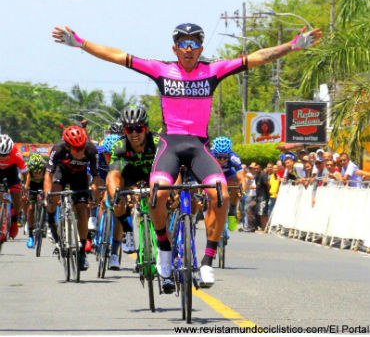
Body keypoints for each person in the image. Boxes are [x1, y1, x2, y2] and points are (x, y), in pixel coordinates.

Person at [52, 22, 322, 288]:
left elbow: (256, 58)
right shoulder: (162, 70)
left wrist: (293, 45)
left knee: (222, 194)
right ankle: (165, 253)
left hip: (198, 146)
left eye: (194, 44)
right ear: (175, 48)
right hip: (170, 144)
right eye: (183, 43)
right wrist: (81, 43)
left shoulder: (213, 71)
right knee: (158, 193)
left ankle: (206, 262)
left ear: (201, 48)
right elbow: (118, 56)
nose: (189, 49)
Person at [105, 106, 162, 279]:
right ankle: (127, 230)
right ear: (124, 130)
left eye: (139, 128)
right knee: (115, 194)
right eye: (130, 129)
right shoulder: (120, 146)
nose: (134, 133)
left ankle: (164, 245)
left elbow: (171, 171)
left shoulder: (158, 142)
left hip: (154, 173)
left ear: (147, 129)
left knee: (164, 200)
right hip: (130, 174)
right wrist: (116, 194)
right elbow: (113, 174)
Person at [44, 126, 100, 271]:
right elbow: (48, 174)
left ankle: (81, 252)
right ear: (68, 146)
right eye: (76, 149)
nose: (80, 151)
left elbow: (96, 177)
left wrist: (94, 192)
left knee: (82, 210)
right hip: (61, 173)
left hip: (79, 178)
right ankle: (51, 223)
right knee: (52, 194)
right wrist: (47, 196)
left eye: (82, 147)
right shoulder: (58, 149)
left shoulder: (91, 150)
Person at [211, 137, 245, 232]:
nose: (222, 160)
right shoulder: (209, 155)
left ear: (229, 154)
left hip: (228, 174)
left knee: (235, 185)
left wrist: (242, 191)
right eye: (219, 157)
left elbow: (241, 177)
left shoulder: (234, 158)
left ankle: (232, 212)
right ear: (215, 154)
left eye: (225, 157)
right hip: (214, 174)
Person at [0, 134, 28, 241]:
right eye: (0, 154)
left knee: (17, 195)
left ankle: (15, 220)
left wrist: (25, 190)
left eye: (5, 154)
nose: (3, 157)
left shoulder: (16, 154)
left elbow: (26, 174)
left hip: (11, 171)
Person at [23, 154, 46, 248]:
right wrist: (25, 195)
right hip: (32, 187)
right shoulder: (29, 173)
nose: (37, 175)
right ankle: (31, 236)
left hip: (43, 185)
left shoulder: (46, 171)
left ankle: (44, 223)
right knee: (31, 208)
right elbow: (26, 186)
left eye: (40, 172)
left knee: (46, 203)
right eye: (35, 173)